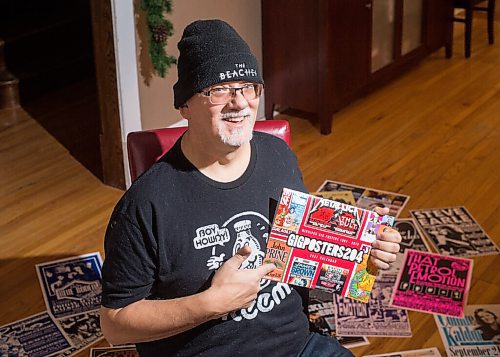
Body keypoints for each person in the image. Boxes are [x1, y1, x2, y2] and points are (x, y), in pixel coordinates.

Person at [100, 19, 402, 356]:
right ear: (185, 105)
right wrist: (209, 304)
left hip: (298, 347)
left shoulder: (278, 156)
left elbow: (303, 251)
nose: (240, 103)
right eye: (218, 89)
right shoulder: (145, 205)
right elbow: (114, 324)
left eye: (248, 86)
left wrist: (361, 247)